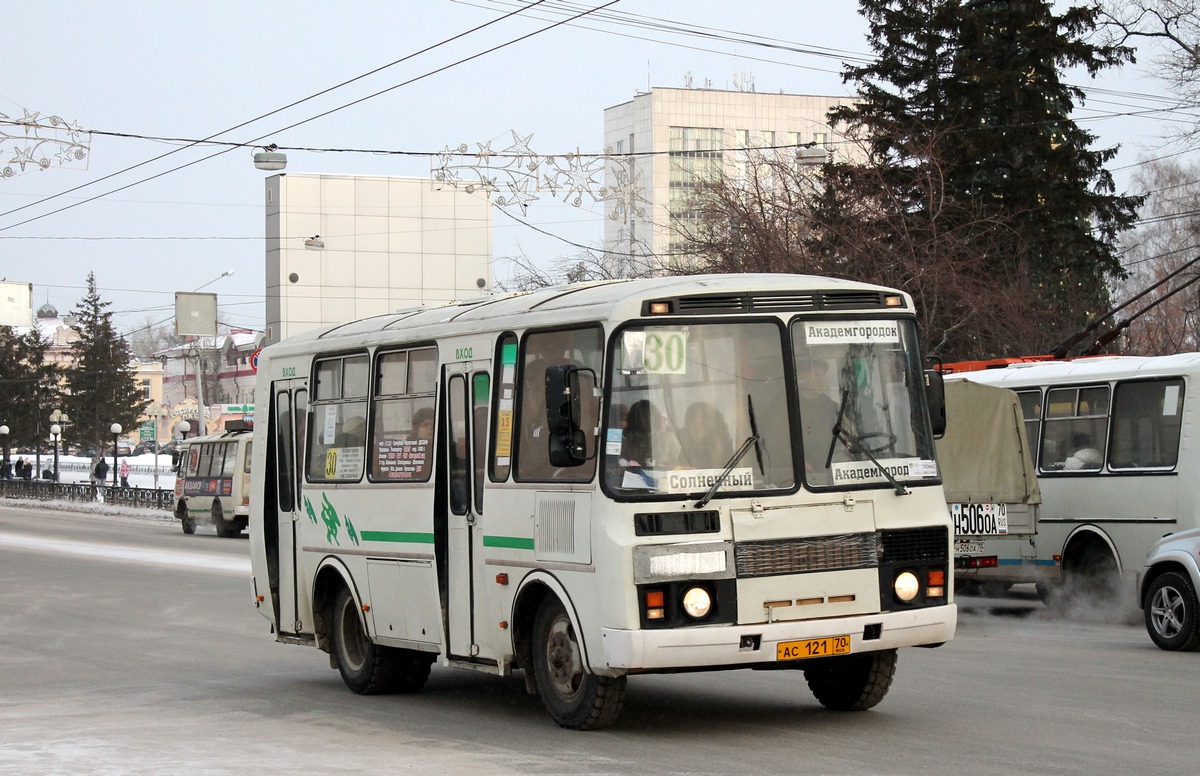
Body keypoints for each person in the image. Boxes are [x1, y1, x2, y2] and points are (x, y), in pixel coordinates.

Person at [676, 401, 734, 469]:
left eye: (703, 422)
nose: (699, 426)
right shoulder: (679, 445)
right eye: (694, 422)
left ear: (716, 424)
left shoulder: (724, 446)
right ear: (688, 425)